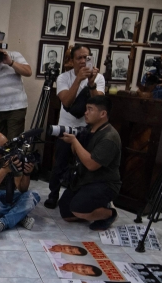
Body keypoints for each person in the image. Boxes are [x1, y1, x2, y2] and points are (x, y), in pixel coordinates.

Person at [46, 44, 104, 208]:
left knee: (84, 165)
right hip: (66, 127)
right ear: (71, 60)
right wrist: (78, 79)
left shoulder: (99, 78)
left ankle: (79, 195)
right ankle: (53, 194)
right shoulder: (64, 77)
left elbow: (98, 103)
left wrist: (91, 82)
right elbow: (66, 101)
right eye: (79, 58)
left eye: (86, 57)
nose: (83, 61)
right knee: (60, 164)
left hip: (87, 129)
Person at [57, 94, 121, 230]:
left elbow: (92, 165)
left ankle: (109, 213)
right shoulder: (88, 130)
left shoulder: (109, 137)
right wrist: (73, 141)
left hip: (104, 183)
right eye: (86, 109)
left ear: (103, 113)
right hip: (84, 179)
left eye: (90, 109)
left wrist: (74, 141)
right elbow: (77, 154)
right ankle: (92, 209)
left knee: (78, 209)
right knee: (66, 213)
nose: (85, 113)